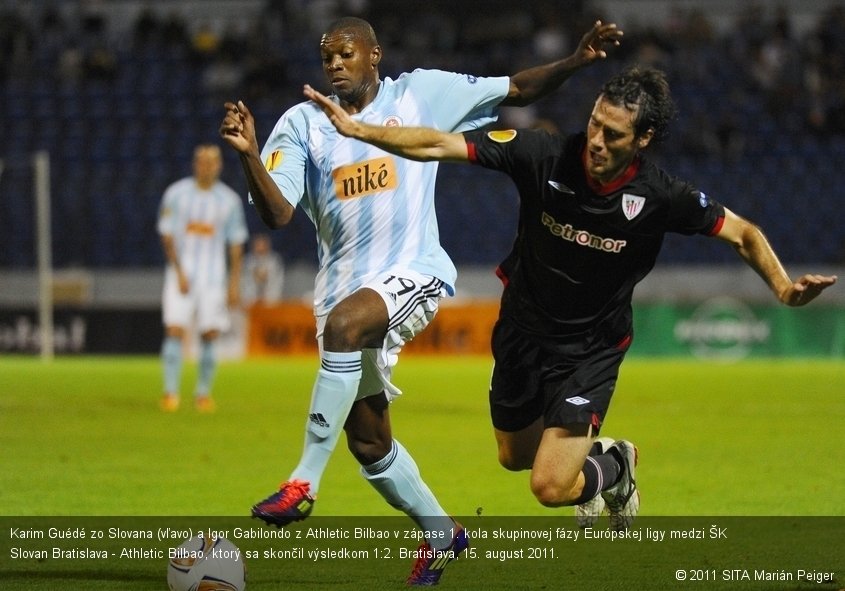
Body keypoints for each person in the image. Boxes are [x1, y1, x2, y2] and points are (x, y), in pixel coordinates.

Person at [304, 64, 838, 532]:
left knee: (550, 487)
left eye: (614, 134)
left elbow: (743, 233)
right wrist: (361, 130)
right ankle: (610, 457)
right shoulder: (544, 154)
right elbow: (441, 144)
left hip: (590, 349)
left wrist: (784, 289)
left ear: (644, 138)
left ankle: (614, 474)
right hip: (521, 332)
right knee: (513, 458)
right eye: (594, 125)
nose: (597, 141)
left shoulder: (659, 195)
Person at [219, 15, 623, 585]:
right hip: (340, 296)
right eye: (326, 55)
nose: (334, 63)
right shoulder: (301, 125)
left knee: (344, 326)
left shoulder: (421, 94)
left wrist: (577, 63)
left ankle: (302, 482)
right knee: (368, 441)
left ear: (374, 55)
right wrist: (249, 155)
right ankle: (443, 534)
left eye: (346, 53)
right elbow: (278, 213)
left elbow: (515, 88)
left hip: (413, 275)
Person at [158, 144, 248, 413]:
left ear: (219, 166)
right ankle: (170, 392)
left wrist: (233, 284)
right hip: (181, 275)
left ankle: (203, 394)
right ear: (194, 164)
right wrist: (178, 271)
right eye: (201, 161)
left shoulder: (229, 201)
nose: (206, 166)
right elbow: (167, 235)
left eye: (211, 162)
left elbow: (235, 244)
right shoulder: (176, 194)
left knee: (210, 334)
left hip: (213, 279)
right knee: (174, 329)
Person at [242, 233, 285, 305]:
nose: (260, 248)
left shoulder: (274, 260)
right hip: (250, 300)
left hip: (270, 300)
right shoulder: (247, 261)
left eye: (262, 245)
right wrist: (255, 275)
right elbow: (244, 279)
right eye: (258, 245)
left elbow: (276, 280)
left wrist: (265, 276)